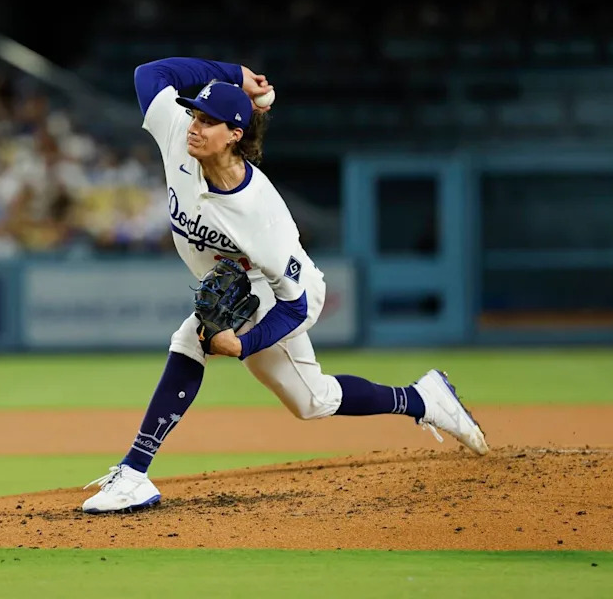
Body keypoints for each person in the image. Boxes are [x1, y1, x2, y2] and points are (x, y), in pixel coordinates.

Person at [81, 57, 489, 514]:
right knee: (312, 400)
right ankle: (422, 398)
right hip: (241, 284)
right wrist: (233, 73)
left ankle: (134, 473)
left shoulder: (260, 214)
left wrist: (246, 342)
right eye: (195, 114)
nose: (195, 126)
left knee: (190, 341)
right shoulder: (180, 134)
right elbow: (147, 75)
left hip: (283, 293)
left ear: (235, 136)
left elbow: (295, 307)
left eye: (209, 121)